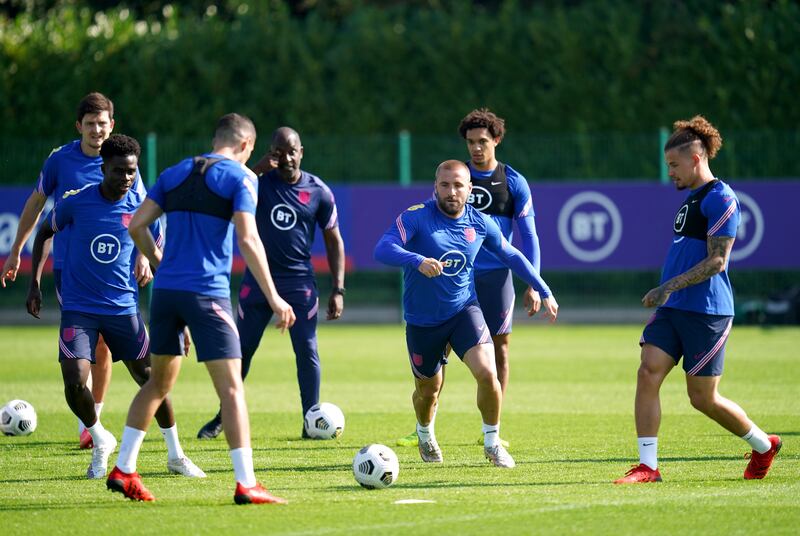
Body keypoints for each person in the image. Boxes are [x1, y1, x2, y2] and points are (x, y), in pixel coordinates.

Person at [107, 113, 296, 505]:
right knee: (231, 389)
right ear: (246, 146)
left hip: (166, 294)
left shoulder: (175, 172)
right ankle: (247, 484)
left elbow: (137, 225)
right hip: (207, 294)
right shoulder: (241, 177)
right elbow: (248, 238)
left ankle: (125, 469)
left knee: (157, 385)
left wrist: (161, 264)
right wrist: (275, 297)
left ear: (217, 139)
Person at [25, 134, 204, 480]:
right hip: (79, 309)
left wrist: (147, 262)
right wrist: (34, 284)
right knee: (75, 381)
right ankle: (99, 436)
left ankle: (175, 454)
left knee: (152, 379)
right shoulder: (76, 203)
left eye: (132, 173)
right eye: (120, 171)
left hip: (123, 309)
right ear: (103, 168)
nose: (127, 179)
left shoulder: (139, 208)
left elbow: (157, 246)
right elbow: (44, 232)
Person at [614, 116, 781, 484]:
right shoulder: (692, 198)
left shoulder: (722, 197)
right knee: (647, 372)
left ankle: (763, 446)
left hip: (707, 311)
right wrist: (668, 293)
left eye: (674, 165)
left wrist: (667, 286)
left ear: (697, 157)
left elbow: (718, 261)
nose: (669, 172)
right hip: (674, 309)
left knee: (702, 398)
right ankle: (648, 467)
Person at [374, 160, 558, 468]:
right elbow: (383, 248)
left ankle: (492, 442)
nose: (451, 191)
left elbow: (511, 254)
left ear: (470, 189)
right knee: (427, 391)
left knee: (488, 373)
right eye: (444, 185)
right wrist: (417, 260)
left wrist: (544, 289)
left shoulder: (480, 222)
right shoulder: (416, 217)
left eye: (458, 185)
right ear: (435, 187)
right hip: (423, 320)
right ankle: (424, 431)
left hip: (463, 310)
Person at [1, 92, 151, 450]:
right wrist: (17, 250)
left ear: (111, 125)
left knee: (106, 344)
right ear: (79, 127)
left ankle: (93, 416)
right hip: (72, 267)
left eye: (102, 123)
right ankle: (93, 423)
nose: (96, 129)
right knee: (95, 340)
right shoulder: (60, 161)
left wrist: (144, 257)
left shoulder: (122, 162)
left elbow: (144, 212)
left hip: (114, 265)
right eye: (90, 124)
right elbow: (36, 205)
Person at [397, 108, 541, 448]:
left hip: (494, 279)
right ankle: (426, 424)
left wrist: (535, 284)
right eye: (470, 142)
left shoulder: (513, 181)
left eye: (483, 142)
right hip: (453, 276)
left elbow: (529, 237)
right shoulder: (454, 179)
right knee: (437, 351)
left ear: (497, 141)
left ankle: (492, 429)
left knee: (498, 352)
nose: (476, 148)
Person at [197, 127, 345, 440]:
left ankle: (311, 420)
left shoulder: (319, 191)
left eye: (292, 151)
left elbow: (334, 241)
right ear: (270, 153)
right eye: (279, 152)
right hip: (258, 284)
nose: (286, 158)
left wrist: (338, 289)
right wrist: (259, 167)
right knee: (241, 350)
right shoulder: (256, 184)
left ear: (301, 152)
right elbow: (225, 189)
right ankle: (223, 416)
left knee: (306, 350)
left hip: (299, 285)